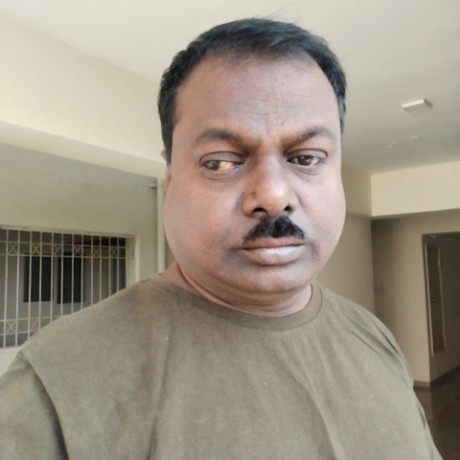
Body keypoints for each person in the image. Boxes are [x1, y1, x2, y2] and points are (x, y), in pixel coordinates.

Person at [0, 18, 440, 459]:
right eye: (221, 162)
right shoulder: (55, 383)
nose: (273, 196)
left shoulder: (374, 337)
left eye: (307, 158)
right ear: (171, 180)